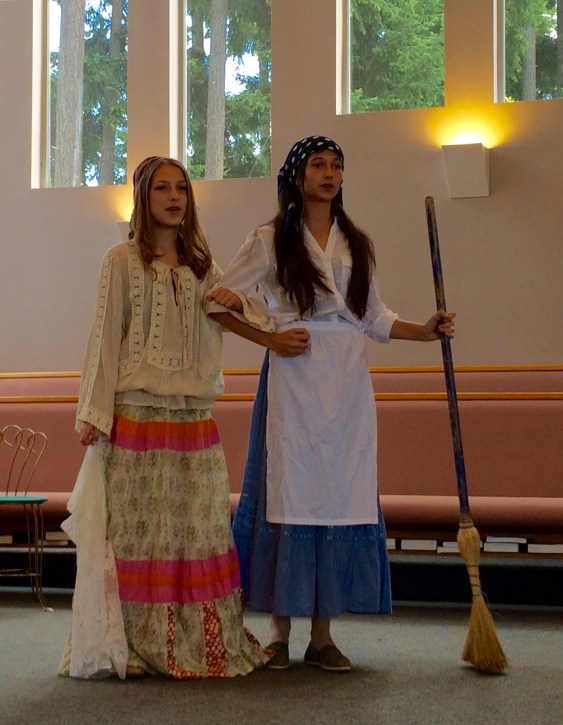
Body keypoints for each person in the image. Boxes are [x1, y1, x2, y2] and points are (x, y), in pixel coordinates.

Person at [206, 135, 455, 672]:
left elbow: (373, 317)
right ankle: (278, 632)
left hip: (345, 384)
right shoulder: (270, 239)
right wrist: (270, 338)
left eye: (337, 165)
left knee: (338, 495)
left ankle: (322, 635)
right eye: (318, 164)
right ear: (298, 177)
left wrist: (425, 330)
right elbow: (218, 303)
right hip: (295, 376)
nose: (329, 173)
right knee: (288, 491)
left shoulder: (356, 242)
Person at [59, 156, 270, 680]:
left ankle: (195, 644)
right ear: (143, 197)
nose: (174, 197)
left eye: (181, 188)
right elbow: (104, 338)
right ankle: (132, 646)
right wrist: (94, 413)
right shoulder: (120, 261)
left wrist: (238, 300)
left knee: (195, 536)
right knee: (137, 540)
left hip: (193, 422)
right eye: (162, 188)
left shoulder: (205, 268)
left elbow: (255, 310)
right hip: (136, 418)